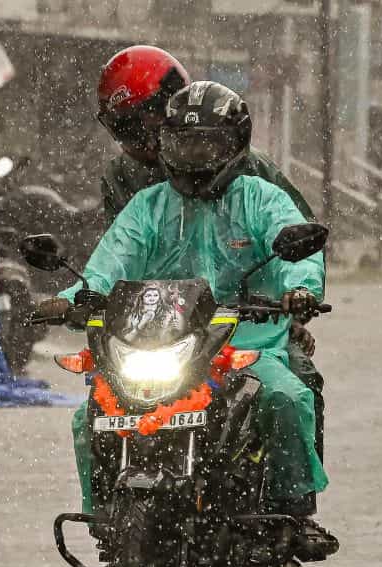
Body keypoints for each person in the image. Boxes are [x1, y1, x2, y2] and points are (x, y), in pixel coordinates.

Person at [37, 83, 338, 567]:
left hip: (249, 341)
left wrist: (300, 290)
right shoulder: (147, 207)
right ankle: (111, 533)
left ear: (234, 146)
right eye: (181, 145)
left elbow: (296, 244)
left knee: (287, 397)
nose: (192, 158)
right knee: (90, 418)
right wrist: (74, 298)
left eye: (205, 146)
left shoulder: (262, 198)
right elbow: (109, 263)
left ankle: (292, 517)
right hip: (161, 343)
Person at [94, 45, 326, 463]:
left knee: (294, 391)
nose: (134, 143)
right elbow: (114, 254)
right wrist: (84, 295)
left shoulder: (255, 180)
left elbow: (298, 241)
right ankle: (107, 513)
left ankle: (292, 504)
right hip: (158, 330)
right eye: (123, 130)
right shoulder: (127, 185)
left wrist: (294, 299)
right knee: (96, 411)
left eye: (141, 124)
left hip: (247, 324)